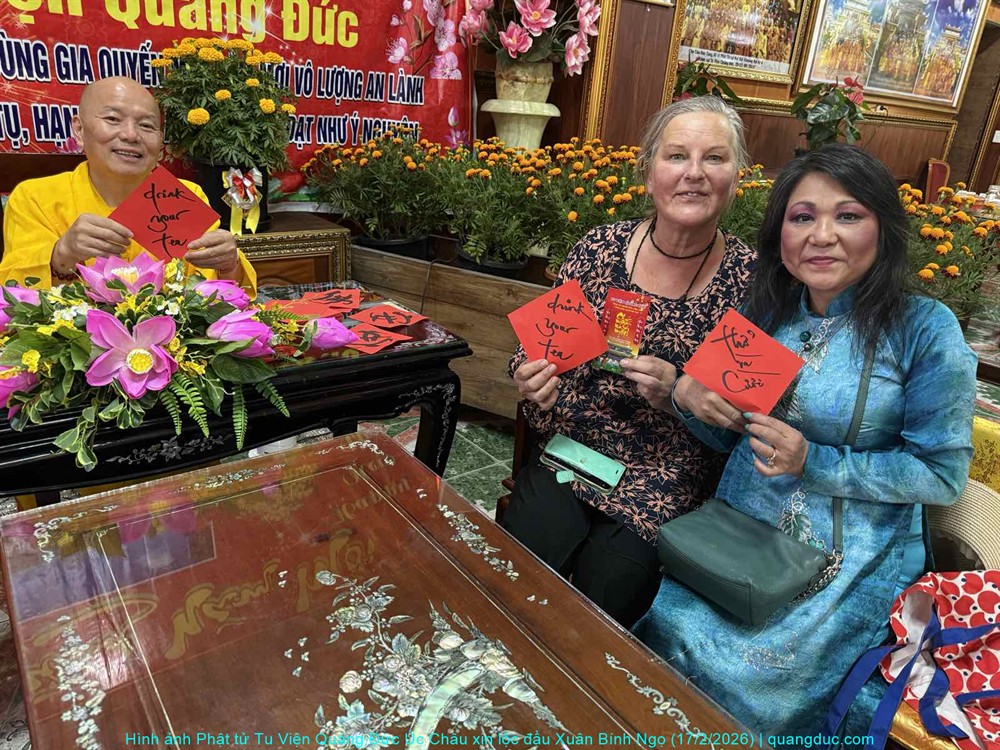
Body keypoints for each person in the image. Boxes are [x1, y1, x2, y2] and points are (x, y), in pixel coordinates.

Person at [633, 144, 976, 736]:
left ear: (883, 228)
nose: (822, 236)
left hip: (846, 557)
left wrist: (812, 461)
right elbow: (724, 437)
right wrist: (679, 397)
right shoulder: (766, 311)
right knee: (667, 637)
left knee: (752, 684)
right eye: (802, 217)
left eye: (848, 215)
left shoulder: (923, 328)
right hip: (737, 537)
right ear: (780, 234)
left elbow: (941, 476)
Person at [504, 96, 757, 628]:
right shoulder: (598, 247)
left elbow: (739, 422)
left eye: (714, 158)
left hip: (667, 476)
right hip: (571, 449)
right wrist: (530, 377)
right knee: (518, 575)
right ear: (648, 172)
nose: (694, 173)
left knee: (603, 603)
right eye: (676, 156)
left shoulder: (753, 284)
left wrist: (678, 395)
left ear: (737, 178)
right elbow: (536, 346)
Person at [1, 77, 257, 292]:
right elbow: (12, 296)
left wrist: (228, 265)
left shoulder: (185, 196)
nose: (131, 135)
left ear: (160, 141)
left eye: (146, 125)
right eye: (113, 119)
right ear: (79, 130)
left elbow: (212, 293)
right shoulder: (35, 198)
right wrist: (62, 254)